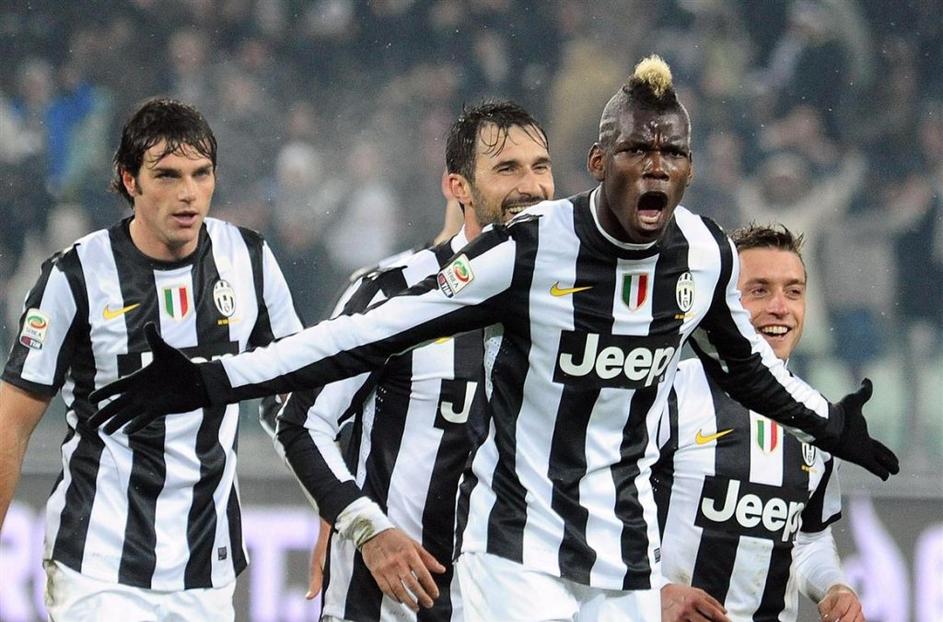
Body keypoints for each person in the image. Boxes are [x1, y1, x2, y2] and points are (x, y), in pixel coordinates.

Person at [88, 56, 898, 621]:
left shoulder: (702, 252)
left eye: (672, 152)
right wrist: (214, 380)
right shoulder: (525, 253)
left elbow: (749, 369)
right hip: (510, 551)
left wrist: (830, 425)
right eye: (637, 150)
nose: (655, 166)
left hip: (621, 558)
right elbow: (356, 341)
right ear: (600, 161)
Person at [0, 98, 303, 620]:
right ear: (129, 180)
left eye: (201, 173)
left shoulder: (249, 261)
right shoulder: (75, 276)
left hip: (206, 571)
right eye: (166, 175)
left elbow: (298, 395)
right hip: (97, 565)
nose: (188, 193)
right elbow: (11, 422)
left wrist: (336, 511)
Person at [284, 100, 553, 621]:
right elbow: (301, 419)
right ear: (458, 187)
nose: (531, 186)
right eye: (507, 168)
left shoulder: (576, 305)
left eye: (540, 167)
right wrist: (363, 525)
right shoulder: (393, 291)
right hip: (383, 608)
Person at [655, 224, 864, 622]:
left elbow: (809, 539)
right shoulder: (666, 396)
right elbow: (603, 515)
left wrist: (833, 586)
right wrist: (656, 591)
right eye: (759, 290)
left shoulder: (819, 420)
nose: (780, 307)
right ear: (723, 302)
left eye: (794, 292)